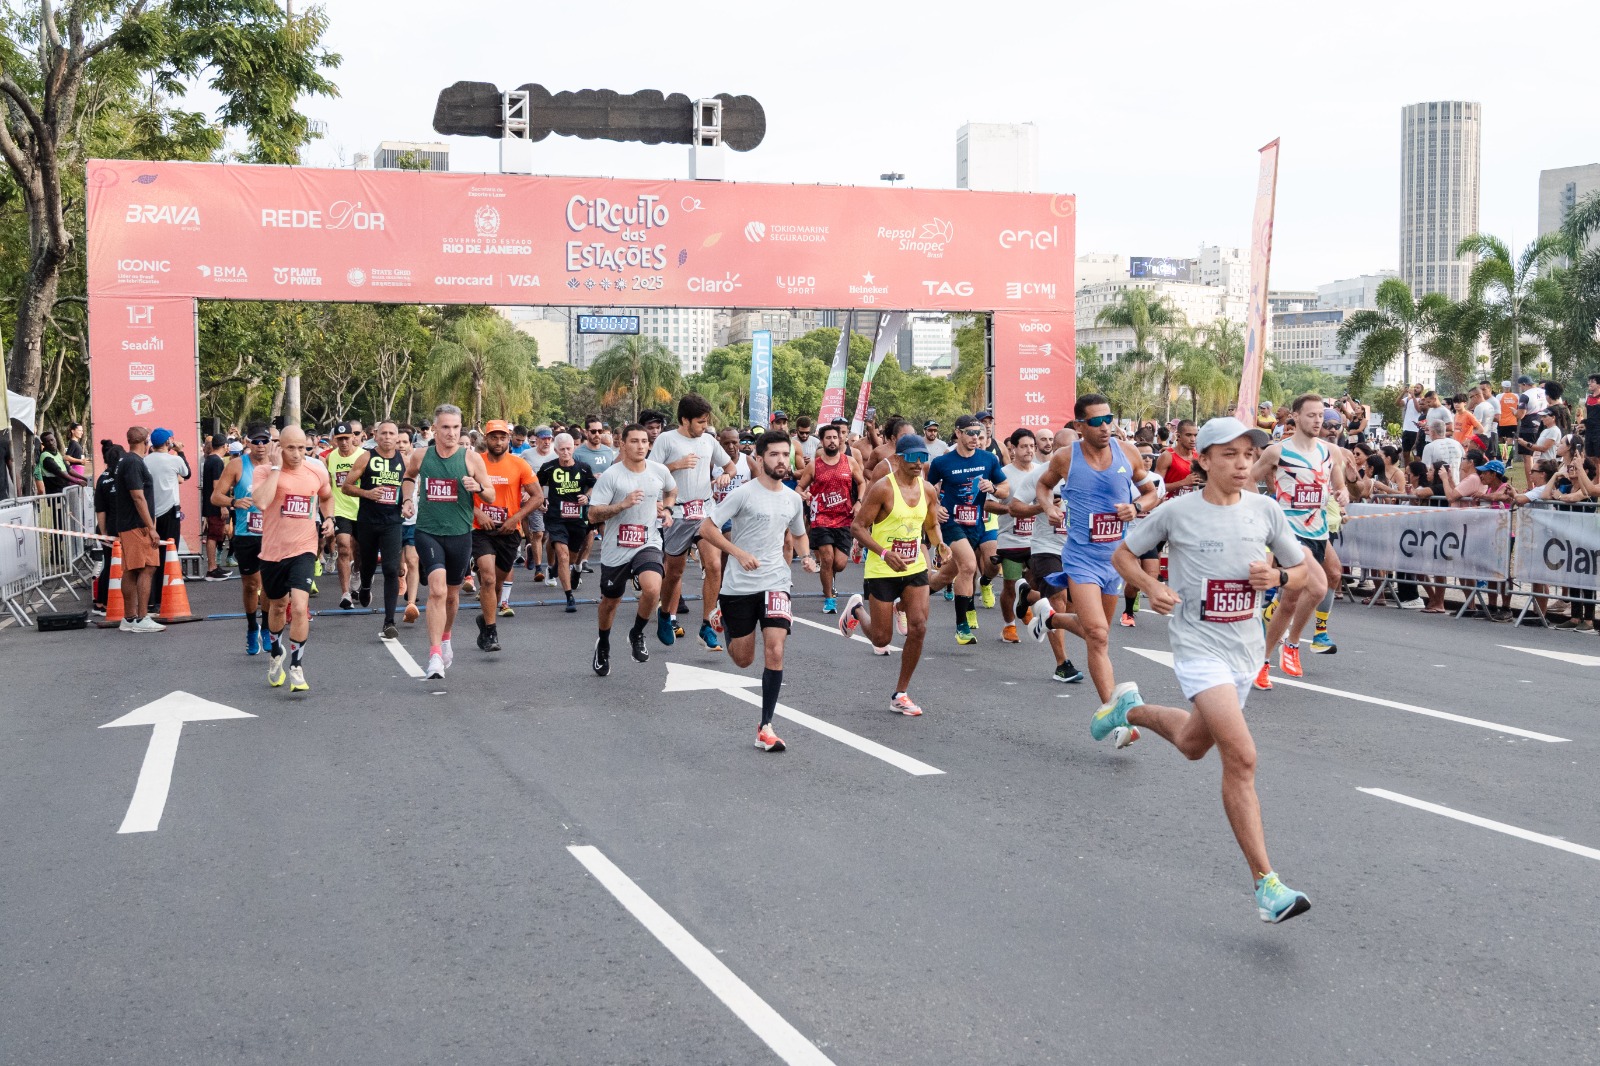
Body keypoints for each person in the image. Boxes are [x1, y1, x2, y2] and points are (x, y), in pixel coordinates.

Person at [1105, 416, 1314, 924]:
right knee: (1241, 757)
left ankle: (1129, 709)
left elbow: (1302, 569)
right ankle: (1267, 886)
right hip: (1198, 647)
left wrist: (1278, 576)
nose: (1243, 464)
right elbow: (1123, 554)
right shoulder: (1177, 512)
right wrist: (1151, 587)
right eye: (1230, 455)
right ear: (1203, 459)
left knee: (1193, 745)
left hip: (1245, 649)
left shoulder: (1266, 510)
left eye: (1249, 455)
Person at [1031, 395, 1158, 715]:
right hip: (1081, 559)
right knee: (1098, 635)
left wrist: (1136, 507)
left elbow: (1151, 493)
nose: (1105, 427)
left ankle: (1050, 618)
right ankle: (1111, 712)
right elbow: (1043, 486)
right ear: (1080, 426)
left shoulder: (1128, 452)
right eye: (1097, 421)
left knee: (1098, 631)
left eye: (1109, 419)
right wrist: (1048, 507)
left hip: (1116, 560)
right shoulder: (1065, 458)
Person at [698, 431, 816, 752]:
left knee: (775, 650)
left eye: (785, 454)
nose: (781, 460)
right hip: (739, 587)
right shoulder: (744, 494)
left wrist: (806, 556)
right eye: (774, 455)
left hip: (776, 582)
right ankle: (721, 618)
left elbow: (799, 534)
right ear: (760, 459)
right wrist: (737, 553)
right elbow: (706, 528)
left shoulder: (793, 499)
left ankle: (766, 726)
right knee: (743, 659)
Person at [839, 434, 943, 714]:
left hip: (914, 567)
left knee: (918, 626)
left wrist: (940, 544)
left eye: (923, 458)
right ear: (898, 459)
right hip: (882, 568)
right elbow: (857, 527)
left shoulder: (928, 490)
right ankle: (856, 610)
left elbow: (931, 525)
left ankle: (901, 693)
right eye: (912, 458)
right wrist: (885, 553)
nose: (918, 463)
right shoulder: (883, 488)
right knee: (881, 639)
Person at [1253, 395, 1348, 688]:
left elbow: (1340, 486)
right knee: (1318, 586)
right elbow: (1248, 479)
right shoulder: (1277, 452)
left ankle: (1262, 661)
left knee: (1290, 601)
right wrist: (1259, 508)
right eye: (1311, 415)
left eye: (1321, 415)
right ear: (1295, 417)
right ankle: (1292, 644)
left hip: (1318, 532)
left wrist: (1342, 494)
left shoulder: (1330, 452)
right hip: (1288, 531)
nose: (1318, 421)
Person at [402, 404, 498, 680]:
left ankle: (445, 637)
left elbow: (491, 495)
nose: (451, 433)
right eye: (445, 427)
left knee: (452, 596)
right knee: (437, 590)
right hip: (428, 531)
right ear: (435, 429)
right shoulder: (421, 455)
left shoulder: (471, 459)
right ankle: (434, 654)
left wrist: (478, 488)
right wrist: (407, 499)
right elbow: (408, 477)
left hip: (460, 533)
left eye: (456, 427)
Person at [587, 424, 677, 676]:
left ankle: (637, 633)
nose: (640, 446)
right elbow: (593, 514)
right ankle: (603, 643)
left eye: (644, 441)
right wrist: (622, 505)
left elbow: (672, 490)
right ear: (623, 445)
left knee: (653, 588)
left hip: (648, 542)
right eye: (634, 441)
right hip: (616, 548)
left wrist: (667, 509)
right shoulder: (612, 476)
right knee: (610, 601)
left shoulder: (659, 471)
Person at [650, 394, 736, 650]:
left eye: (706, 421)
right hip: (677, 513)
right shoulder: (666, 440)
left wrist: (726, 476)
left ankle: (707, 626)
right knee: (675, 572)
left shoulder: (708, 440)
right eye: (700, 422)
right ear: (685, 420)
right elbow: (649, 473)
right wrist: (675, 465)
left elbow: (730, 466)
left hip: (705, 511)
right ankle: (665, 614)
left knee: (714, 565)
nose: (704, 426)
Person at [252, 426, 335, 693]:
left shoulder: (316, 470)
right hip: (273, 551)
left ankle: (297, 667)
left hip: (304, 548)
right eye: (291, 448)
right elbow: (261, 502)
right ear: (279, 447)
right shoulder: (264, 471)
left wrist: (329, 518)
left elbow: (327, 496)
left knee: (299, 607)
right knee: (277, 607)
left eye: (303, 448)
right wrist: (276, 469)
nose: (298, 454)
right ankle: (276, 652)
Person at [926, 414, 1011, 644]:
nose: (975, 438)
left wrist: (993, 488)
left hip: (975, 524)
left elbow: (1005, 488)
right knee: (969, 565)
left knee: (946, 575)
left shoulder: (988, 459)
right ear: (958, 433)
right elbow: (925, 489)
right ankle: (962, 627)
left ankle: (910, 599)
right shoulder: (942, 462)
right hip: (951, 523)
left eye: (979, 434)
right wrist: (936, 507)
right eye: (971, 433)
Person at [470, 420, 540, 652]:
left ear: (508, 439)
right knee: (488, 578)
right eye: (494, 437)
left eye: (502, 438)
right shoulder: (474, 462)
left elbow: (538, 496)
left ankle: (486, 618)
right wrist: (478, 513)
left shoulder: (519, 464)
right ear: (486, 439)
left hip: (509, 531)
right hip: (480, 530)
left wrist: (515, 518)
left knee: (497, 584)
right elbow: (459, 494)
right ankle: (491, 632)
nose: (498, 442)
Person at [339, 420, 407, 638]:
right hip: (368, 521)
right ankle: (366, 585)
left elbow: (410, 486)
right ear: (375, 436)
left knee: (390, 569)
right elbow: (346, 487)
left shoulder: (404, 460)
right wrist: (367, 493)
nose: (387, 437)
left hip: (393, 522)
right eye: (383, 433)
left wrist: (408, 503)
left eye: (391, 433)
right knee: (367, 564)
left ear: (397, 437)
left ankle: (389, 621)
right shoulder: (366, 457)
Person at [210, 425, 272, 652]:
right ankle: (252, 627)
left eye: (264, 441)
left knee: (269, 585)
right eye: (256, 441)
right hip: (247, 534)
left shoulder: (277, 464)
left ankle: (267, 628)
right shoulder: (237, 465)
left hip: (273, 533)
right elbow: (216, 496)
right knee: (251, 585)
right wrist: (234, 502)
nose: (261, 445)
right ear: (248, 442)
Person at [795, 422, 865, 613]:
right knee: (827, 559)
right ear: (822, 441)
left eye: (835, 437)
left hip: (844, 518)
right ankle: (829, 599)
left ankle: (831, 578)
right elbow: (800, 487)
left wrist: (859, 502)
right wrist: (804, 494)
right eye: (828, 438)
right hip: (821, 518)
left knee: (839, 564)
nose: (832, 441)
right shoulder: (814, 465)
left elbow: (861, 483)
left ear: (840, 439)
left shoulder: (849, 462)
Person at [539, 432, 598, 613]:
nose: (565, 452)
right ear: (556, 450)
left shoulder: (583, 468)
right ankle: (569, 596)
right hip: (556, 518)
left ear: (574, 448)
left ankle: (557, 569)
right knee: (563, 555)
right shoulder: (548, 468)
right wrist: (541, 500)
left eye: (568, 449)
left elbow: (593, 484)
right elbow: (535, 484)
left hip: (577, 518)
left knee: (571, 556)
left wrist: (586, 496)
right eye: (562, 449)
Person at [114, 427, 164, 632]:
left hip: (129, 523)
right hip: (137, 525)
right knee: (147, 568)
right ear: (146, 442)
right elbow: (138, 496)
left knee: (132, 569)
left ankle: (130, 618)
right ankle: (141, 618)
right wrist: (151, 527)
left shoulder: (127, 461)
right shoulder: (134, 462)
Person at [992, 428, 1039, 644]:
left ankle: (1024, 602)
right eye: (1024, 446)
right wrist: (1012, 510)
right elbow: (987, 504)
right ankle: (1009, 626)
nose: (1029, 450)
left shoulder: (1042, 472)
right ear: (1013, 448)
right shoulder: (1003, 474)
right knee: (1010, 585)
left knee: (1034, 583)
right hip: (1010, 539)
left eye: (1031, 446)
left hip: (1037, 540)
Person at [142, 428, 190, 613]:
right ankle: (164, 597)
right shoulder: (174, 460)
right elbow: (187, 473)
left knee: (152, 556)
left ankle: (151, 598)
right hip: (170, 512)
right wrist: (180, 451)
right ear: (167, 442)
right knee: (169, 554)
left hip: (151, 514)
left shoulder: (145, 461)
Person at [323, 422, 364, 609]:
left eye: (347, 438)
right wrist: (328, 512)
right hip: (340, 509)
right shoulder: (330, 458)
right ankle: (345, 593)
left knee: (360, 551)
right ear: (334, 440)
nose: (344, 442)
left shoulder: (363, 456)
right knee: (344, 547)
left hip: (362, 509)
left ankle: (357, 571)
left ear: (354, 437)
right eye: (340, 439)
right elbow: (329, 486)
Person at [520, 426, 558, 582]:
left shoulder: (556, 455)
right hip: (534, 498)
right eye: (543, 439)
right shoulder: (526, 455)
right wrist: (524, 492)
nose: (547, 442)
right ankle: (538, 569)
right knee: (538, 533)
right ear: (536, 439)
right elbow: (520, 475)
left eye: (549, 439)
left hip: (553, 500)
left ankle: (532, 551)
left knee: (546, 537)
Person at [92, 441, 124, 614]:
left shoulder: (102, 478)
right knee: (113, 564)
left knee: (110, 563)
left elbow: (100, 509)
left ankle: (102, 601)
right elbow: (102, 509)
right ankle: (103, 601)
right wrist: (105, 532)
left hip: (108, 527)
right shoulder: (118, 477)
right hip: (115, 528)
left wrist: (102, 531)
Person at [201, 434, 230, 580]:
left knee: (214, 535)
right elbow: (217, 485)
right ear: (224, 446)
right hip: (215, 504)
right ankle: (212, 568)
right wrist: (223, 506)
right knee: (213, 535)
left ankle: (214, 566)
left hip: (210, 503)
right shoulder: (217, 461)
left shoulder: (209, 460)